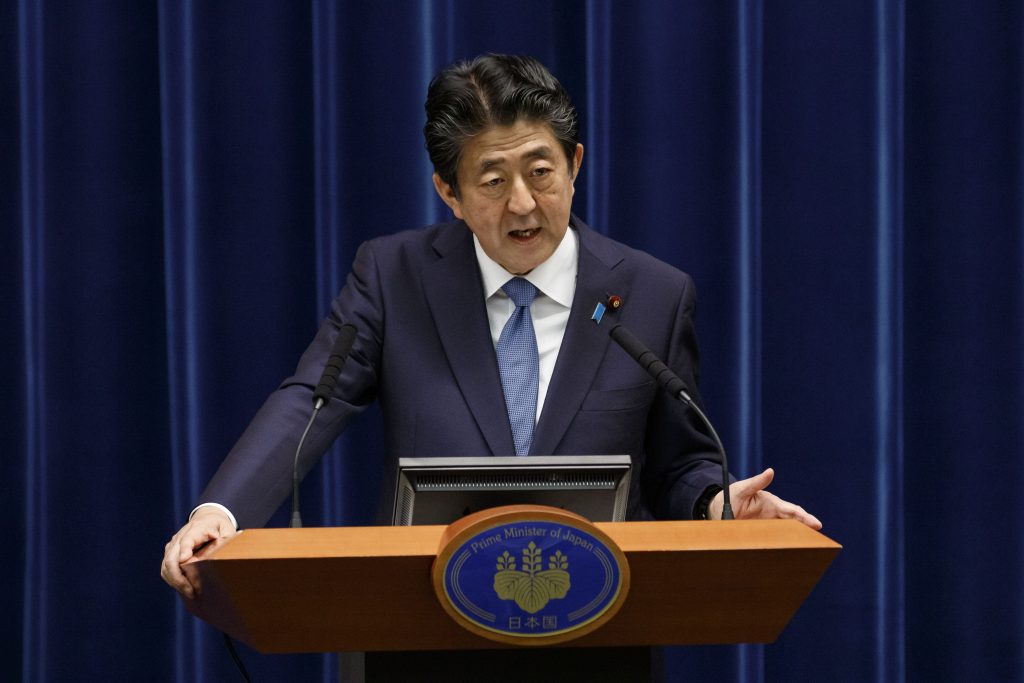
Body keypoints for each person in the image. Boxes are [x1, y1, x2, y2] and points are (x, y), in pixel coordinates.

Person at [161, 54, 820, 599]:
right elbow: (312, 398)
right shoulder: (394, 277)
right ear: (448, 192)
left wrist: (718, 504)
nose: (524, 204)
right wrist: (223, 512)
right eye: (493, 181)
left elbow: (679, 465)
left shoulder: (652, 294)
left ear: (575, 163)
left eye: (540, 172)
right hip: (418, 626)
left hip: (596, 627)